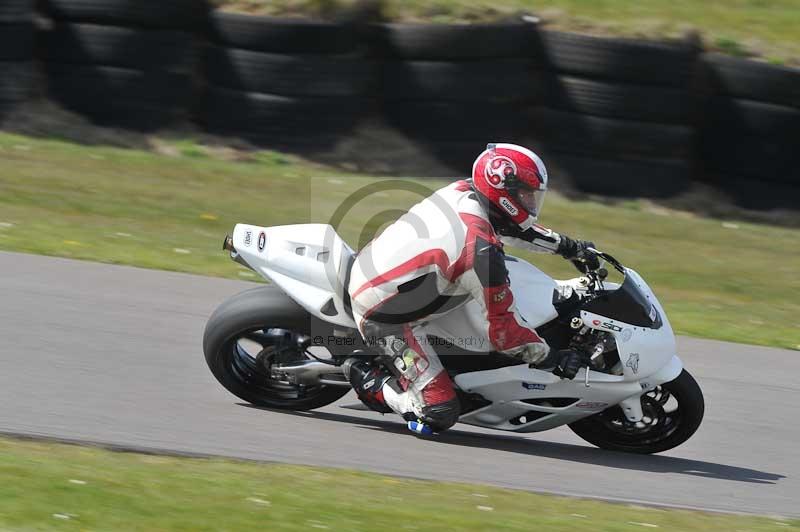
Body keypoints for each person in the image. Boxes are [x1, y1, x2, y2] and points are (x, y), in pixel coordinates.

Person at [342, 143, 600, 434]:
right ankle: (367, 377)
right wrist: (552, 357)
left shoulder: (466, 191)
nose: (531, 202)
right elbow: (505, 334)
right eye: (526, 195)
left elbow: (515, 228)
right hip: (385, 316)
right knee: (439, 410)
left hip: (400, 276)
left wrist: (571, 248)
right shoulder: (479, 252)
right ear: (503, 193)